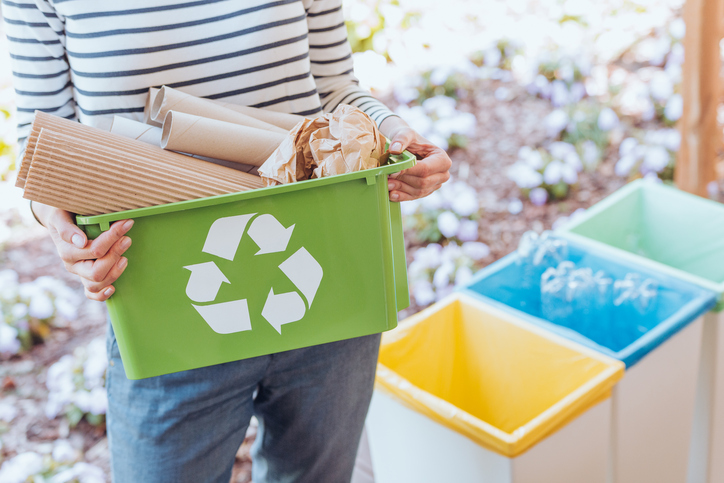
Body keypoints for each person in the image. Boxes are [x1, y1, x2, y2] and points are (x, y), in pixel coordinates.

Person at [3, 1, 451, 481]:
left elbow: (334, 88)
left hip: (325, 273)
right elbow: (44, 141)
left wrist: (395, 135)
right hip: (163, 299)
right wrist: (61, 228)